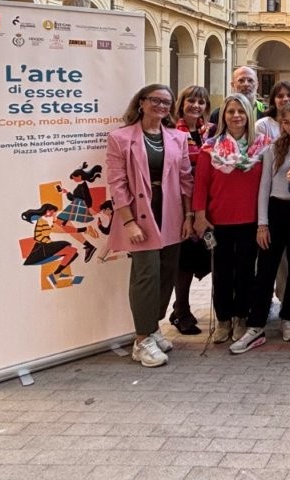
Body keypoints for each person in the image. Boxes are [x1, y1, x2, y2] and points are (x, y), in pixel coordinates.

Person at [105, 84, 193, 368]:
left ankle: (153, 327)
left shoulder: (178, 137)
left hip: (171, 213)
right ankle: (142, 339)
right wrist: (128, 221)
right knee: (146, 275)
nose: (161, 106)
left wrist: (189, 216)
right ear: (141, 102)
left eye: (167, 102)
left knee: (167, 272)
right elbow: (117, 184)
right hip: (140, 215)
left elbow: (185, 179)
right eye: (155, 100)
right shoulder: (120, 138)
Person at [230, 102, 290, 353]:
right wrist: (262, 224)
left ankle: (289, 317)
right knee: (266, 269)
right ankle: (256, 323)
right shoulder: (273, 148)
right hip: (276, 209)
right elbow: (264, 186)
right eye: (286, 122)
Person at [192, 93, 270, 344]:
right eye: (231, 111)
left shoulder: (263, 146)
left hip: (251, 220)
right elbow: (201, 184)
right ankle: (223, 319)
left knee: (246, 272)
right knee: (222, 274)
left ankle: (241, 317)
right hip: (218, 220)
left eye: (241, 111)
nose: (236, 116)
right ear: (223, 116)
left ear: (249, 114)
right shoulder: (210, 147)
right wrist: (199, 215)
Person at [169, 85, 213, 335]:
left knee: (207, 254)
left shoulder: (211, 132)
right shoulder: (172, 132)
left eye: (201, 102)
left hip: (208, 202)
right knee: (184, 260)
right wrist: (189, 212)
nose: (196, 106)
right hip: (182, 202)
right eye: (191, 101)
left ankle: (181, 308)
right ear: (182, 103)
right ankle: (182, 311)